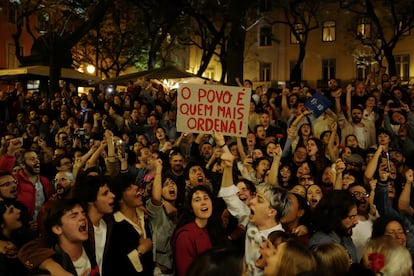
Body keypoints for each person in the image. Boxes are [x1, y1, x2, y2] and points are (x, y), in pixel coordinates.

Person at [216, 131, 291, 276]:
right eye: (256, 196)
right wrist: (223, 148)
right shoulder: (252, 220)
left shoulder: (279, 244)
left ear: (272, 212)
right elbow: (229, 197)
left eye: (260, 200)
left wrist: (276, 160)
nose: (252, 202)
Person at [106, 172, 154, 275]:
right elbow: (116, 265)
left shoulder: (143, 216)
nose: (136, 187)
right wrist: (140, 251)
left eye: (134, 184)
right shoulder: (114, 226)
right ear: (120, 199)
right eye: (129, 187)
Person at [172, 185, 226, 276]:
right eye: (197, 200)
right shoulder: (185, 236)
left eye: (206, 198)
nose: (203, 203)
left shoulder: (214, 227)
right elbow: (185, 272)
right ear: (191, 208)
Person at [43, 199, 99, 276]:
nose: (83, 217)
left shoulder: (90, 247)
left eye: (83, 213)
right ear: (57, 229)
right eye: (74, 216)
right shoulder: (53, 265)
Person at [308, 190, 359, 264]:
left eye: (355, 216)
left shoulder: (345, 237)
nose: (356, 222)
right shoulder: (321, 246)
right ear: (335, 217)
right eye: (351, 217)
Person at [146, 159, 178, 275]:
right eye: (166, 184)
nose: (171, 186)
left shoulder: (179, 210)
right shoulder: (155, 209)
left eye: (173, 183)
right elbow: (156, 198)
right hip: (160, 269)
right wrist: (158, 171)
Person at [0, 200, 37, 276]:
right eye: (11, 211)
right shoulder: (2, 254)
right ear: (1, 224)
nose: (19, 211)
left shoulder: (20, 236)